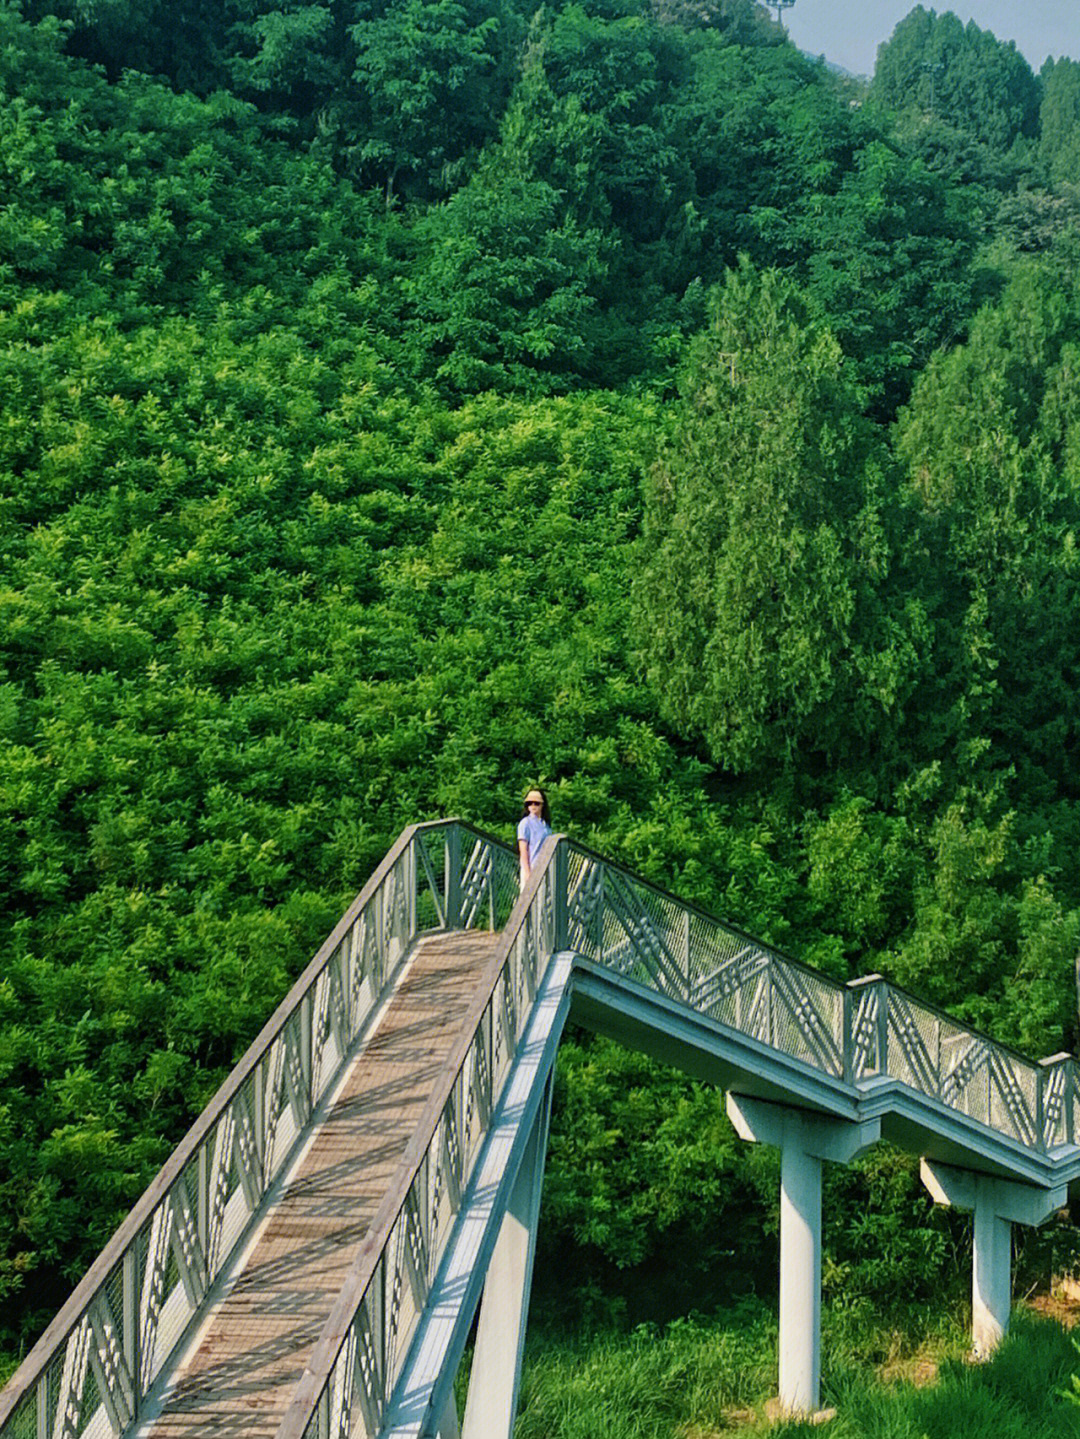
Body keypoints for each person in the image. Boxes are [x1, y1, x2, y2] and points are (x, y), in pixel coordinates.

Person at [517, 788, 551, 883]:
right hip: (531, 868)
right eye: (530, 803)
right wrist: (528, 873)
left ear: (542, 805)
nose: (533, 806)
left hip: (544, 870)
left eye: (536, 803)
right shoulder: (525, 823)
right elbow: (523, 849)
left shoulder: (546, 826)